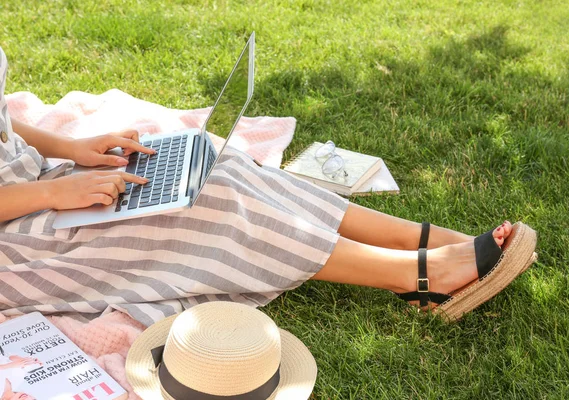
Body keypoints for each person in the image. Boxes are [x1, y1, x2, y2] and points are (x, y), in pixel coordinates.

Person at [0, 45, 536, 326]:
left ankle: (419, 239)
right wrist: (50, 194)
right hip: (16, 235)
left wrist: (72, 150)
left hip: (36, 182)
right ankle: (420, 275)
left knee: (213, 163)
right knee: (202, 210)